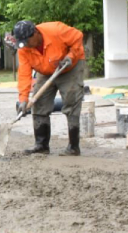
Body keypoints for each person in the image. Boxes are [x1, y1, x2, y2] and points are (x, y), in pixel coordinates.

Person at [11, 20, 86, 156]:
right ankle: (41, 145)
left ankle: (73, 147)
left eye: (27, 41)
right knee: (39, 104)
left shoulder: (56, 30)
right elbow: (24, 74)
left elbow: (78, 36)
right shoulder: (24, 49)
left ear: (35, 33)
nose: (26, 46)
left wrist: (71, 55)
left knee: (71, 101)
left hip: (69, 67)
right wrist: (23, 99)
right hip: (45, 71)